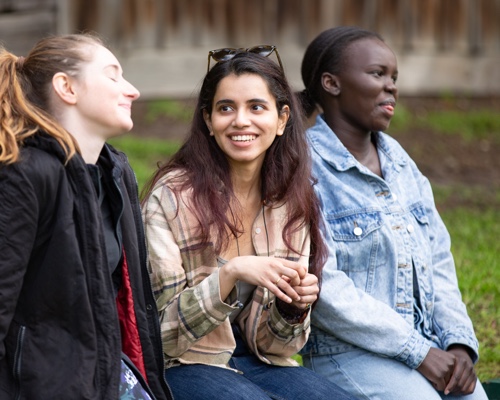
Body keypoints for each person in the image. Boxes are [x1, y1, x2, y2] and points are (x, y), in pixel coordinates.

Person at [141, 46, 354, 400]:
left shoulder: (291, 200)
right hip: (183, 364)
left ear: (282, 119)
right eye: (226, 108)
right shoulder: (171, 199)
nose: (241, 121)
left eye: (256, 107)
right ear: (208, 121)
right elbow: (159, 339)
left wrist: (293, 308)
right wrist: (230, 274)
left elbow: (278, 348)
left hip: (259, 360)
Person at [297, 26, 489, 400]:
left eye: (394, 77)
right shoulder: (304, 169)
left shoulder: (401, 163)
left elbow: (438, 261)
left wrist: (459, 346)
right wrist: (418, 353)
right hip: (348, 354)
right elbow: (326, 288)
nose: (392, 86)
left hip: (429, 346)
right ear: (331, 83)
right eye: (377, 74)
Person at [0, 34, 172, 399]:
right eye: (113, 75)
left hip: (105, 375)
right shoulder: (25, 175)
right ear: (67, 87)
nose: (133, 91)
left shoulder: (115, 173)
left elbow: (128, 309)